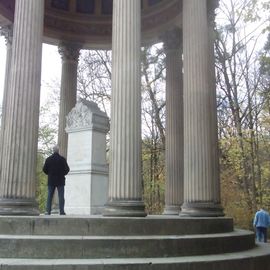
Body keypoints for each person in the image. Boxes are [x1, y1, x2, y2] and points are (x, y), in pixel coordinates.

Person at [43, 145, 70, 215]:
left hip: (51, 180)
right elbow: (67, 169)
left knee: (49, 196)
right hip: (60, 180)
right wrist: (62, 174)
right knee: (61, 196)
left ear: (53, 150)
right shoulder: (62, 159)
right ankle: (61, 211)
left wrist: (49, 174)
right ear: (58, 151)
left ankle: (48, 211)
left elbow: (44, 169)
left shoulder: (48, 159)